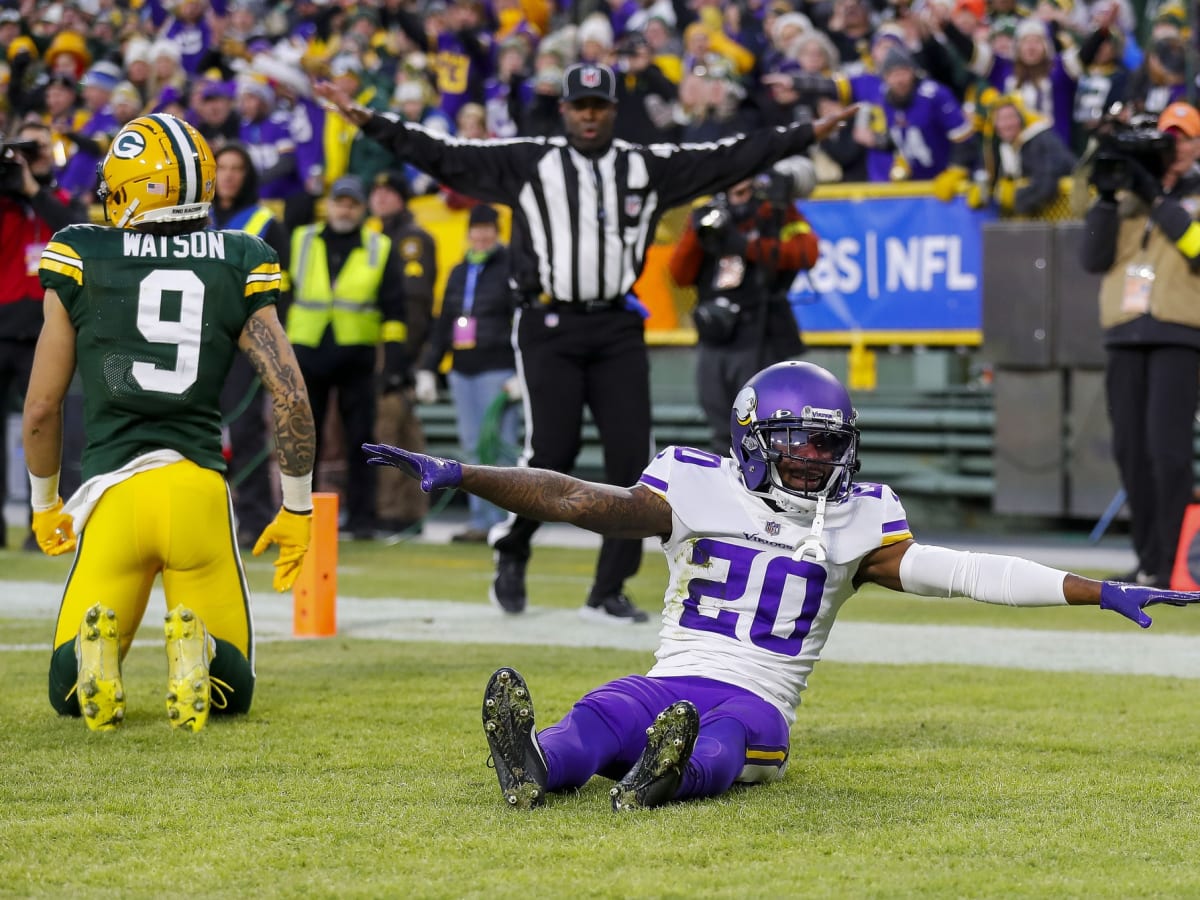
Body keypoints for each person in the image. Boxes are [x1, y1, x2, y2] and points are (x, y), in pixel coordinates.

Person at [362, 359, 1200, 812]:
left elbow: (968, 573)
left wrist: (1095, 589)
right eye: (798, 443)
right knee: (598, 715)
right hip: (673, 673)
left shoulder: (859, 520)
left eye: (829, 445)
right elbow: (579, 499)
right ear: (753, 439)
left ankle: (663, 781)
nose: (817, 460)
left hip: (761, 700)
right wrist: (465, 472)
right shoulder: (692, 483)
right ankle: (535, 763)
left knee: (721, 743)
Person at [315, 63, 858, 623]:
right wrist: (370, 121)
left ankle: (607, 589)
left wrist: (807, 134)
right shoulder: (529, 162)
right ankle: (512, 548)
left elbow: (732, 155)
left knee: (634, 465)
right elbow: (443, 153)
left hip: (617, 325)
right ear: (566, 110)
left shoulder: (645, 166)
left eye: (599, 106)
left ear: (613, 110)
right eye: (581, 106)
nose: (590, 116)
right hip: (549, 324)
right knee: (552, 449)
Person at [23, 113, 316, 733]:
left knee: (68, 694)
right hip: (197, 493)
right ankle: (201, 653)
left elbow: (42, 407)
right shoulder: (239, 256)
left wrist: (45, 502)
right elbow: (290, 397)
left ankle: (91, 654)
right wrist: (296, 509)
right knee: (231, 691)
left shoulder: (81, 250)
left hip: (113, 496)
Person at [1079, 101, 1200, 589]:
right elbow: (1092, 256)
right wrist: (1107, 196)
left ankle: (1171, 561)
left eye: (1181, 136)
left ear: (1194, 144)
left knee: (1167, 452)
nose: (1171, 146)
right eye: (1165, 137)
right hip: (1125, 333)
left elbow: (1195, 248)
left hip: (1179, 331)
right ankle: (1148, 560)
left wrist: (1157, 197)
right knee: (1130, 451)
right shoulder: (1126, 194)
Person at [287, 174, 410, 541]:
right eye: (339, 201)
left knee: (361, 440)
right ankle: (299, 513)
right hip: (307, 352)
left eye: (352, 203)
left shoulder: (379, 246)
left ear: (362, 208)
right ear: (328, 204)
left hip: (356, 356)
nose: (345, 208)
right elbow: (282, 293)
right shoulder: (302, 239)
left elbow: (395, 309)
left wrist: (396, 363)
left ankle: (362, 519)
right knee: (305, 441)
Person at [669, 164, 817, 452]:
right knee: (721, 431)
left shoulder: (775, 211)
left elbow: (807, 252)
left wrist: (745, 245)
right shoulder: (711, 211)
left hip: (760, 335)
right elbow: (679, 274)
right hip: (715, 337)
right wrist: (698, 232)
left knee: (764, 432)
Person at [0, 120, 88, 549]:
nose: (28, 159)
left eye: (36, 149)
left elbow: (74, 229)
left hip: (49, 331)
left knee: (55, 427)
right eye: (22, 150)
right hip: (2, 327)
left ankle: (55, 523)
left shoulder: (60, 200)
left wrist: (34, 190)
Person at [415, 203, 520, 543]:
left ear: (497, 231)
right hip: (463, 371)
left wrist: (522, 371)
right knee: (473, 448)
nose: (482, 234)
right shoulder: (459, 271)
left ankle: (508, 522)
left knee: (501, 446)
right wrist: (429, 368)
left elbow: (522, 323)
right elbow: (445, 321)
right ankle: (481, 521)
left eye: (488, 227)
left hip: (498, 368)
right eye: (477, 228)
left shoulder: (511, 268)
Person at [210, 142, 292, 548]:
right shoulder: (193, 217)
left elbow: (281, 289)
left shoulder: (264, 222)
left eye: (236, 167)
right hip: (199, 338)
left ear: (247, 175)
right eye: (221, 167)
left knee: (244, 431)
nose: (227, 175)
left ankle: (255, 519)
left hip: (244, 340)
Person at [368, 170, 437, 535]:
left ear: (402, 197)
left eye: (388, 192)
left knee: (389, 428)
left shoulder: (411, 240)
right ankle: (412, 511)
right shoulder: (380, 236)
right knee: (406, 430)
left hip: (394, 348)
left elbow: (415, 303)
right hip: (387, 345)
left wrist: (400, 358)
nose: (379, 198)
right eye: (376, 192)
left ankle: (393, 511)